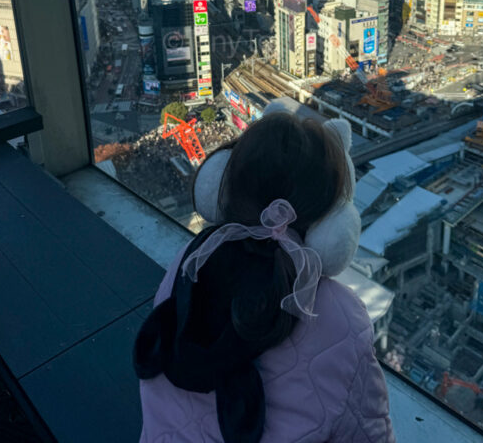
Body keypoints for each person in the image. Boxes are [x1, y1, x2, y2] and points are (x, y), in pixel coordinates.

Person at [135, 105, 395, 443]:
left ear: (220, 186)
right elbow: (369, 433)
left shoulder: (193, 262)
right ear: (331, 228)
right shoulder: (340, 318)